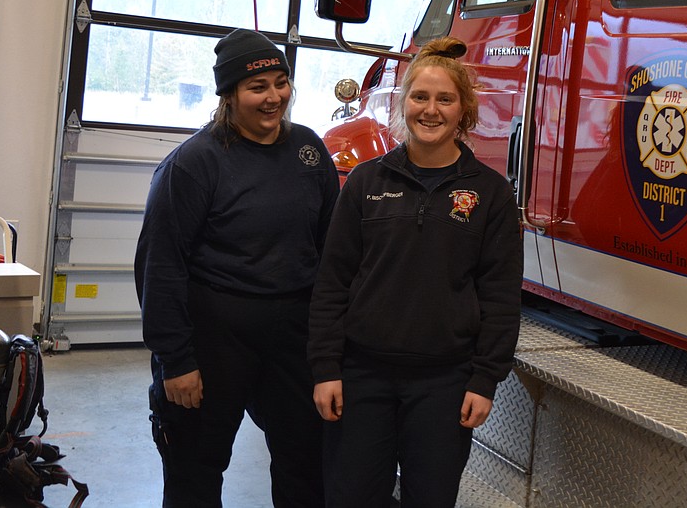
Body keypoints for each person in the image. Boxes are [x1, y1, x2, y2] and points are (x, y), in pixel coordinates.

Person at [308, 36, 523, 508]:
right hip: (362, 377)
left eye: (445, 99)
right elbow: (332, 284)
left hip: (445, 384)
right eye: (420, 97)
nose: (431, 110)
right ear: (403, 103)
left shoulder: (489, 195)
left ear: (463, 110)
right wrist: (326, 368)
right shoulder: (366, 182)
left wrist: (484, 380)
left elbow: (501, 297)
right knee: (352, 497)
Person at [135, 28, 340, 508]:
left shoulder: (308, 152)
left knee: (304, 464)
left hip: (294, 340)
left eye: (280, 82)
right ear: (228, 95)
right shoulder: (193, 164)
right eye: (257, 87)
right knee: (195, 468)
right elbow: (160, 269)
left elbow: (332, 252)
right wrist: (176, 361)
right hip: (213, 342)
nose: (274, 98)